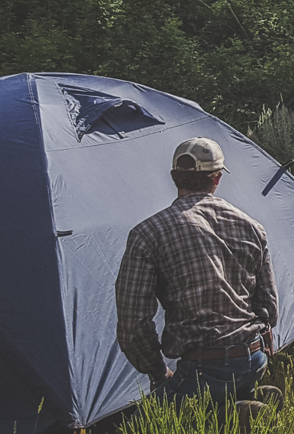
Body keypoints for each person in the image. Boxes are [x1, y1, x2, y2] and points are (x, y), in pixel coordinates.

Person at [115, 137, 279, 409]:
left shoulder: (147, 234)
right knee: (225, 394)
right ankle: (244, 398)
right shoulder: (252, 226)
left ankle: (227, 410)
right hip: (254, 356)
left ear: (173, 177)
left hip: (201, 368)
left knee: (135, 433)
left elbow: (133, 324)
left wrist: (158, 373)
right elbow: (269, 308)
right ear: (216, 179)